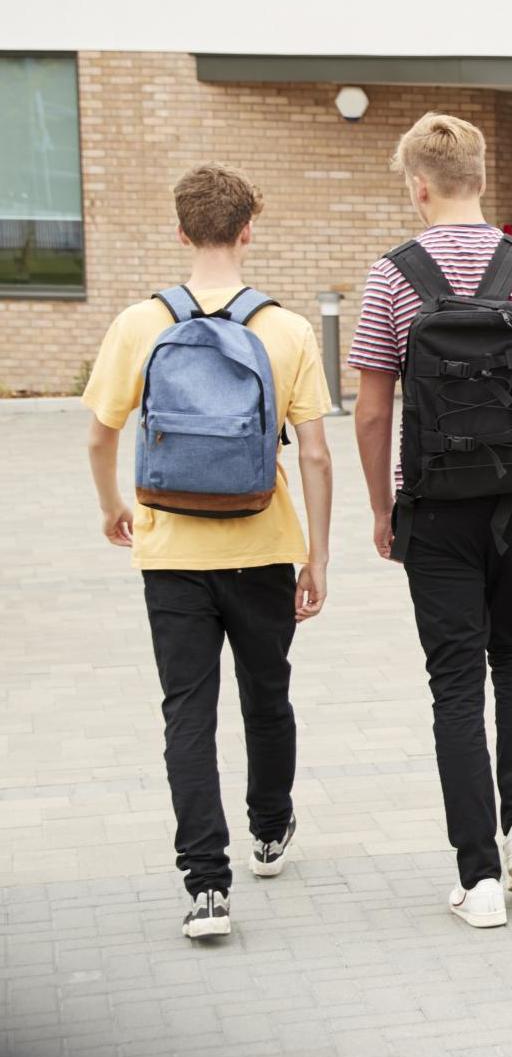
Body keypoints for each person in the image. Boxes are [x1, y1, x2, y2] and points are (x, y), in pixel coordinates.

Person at [351, 113, 512, 930]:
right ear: (484, 179)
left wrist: (379, 505)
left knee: (455, 680)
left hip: (433, 502)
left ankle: (479, 877)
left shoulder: (392, 278)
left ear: (417, 185)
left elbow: (369, 410)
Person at [83, 163, 333, 940]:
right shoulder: (286, 329)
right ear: (249, 228)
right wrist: (316, 556)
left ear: (182, 230)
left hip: (170, 553)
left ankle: (206, 888)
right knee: (268, 695)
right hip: (262, 547)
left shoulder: (138, 324)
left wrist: (114, 509)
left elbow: (99, 434)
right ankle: (269, 829)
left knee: (187, 712)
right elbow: (318, 456)